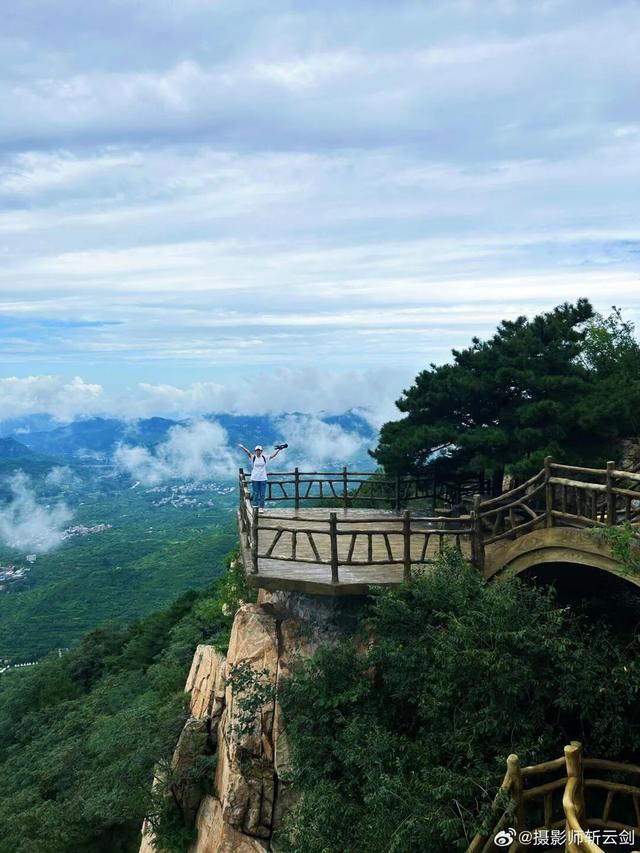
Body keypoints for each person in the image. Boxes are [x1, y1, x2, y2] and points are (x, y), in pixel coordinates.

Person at [237, 443, 285, 509]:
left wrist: (278, 450)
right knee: (255, 493)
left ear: (261, 451)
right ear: (255, 451)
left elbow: (273, 456)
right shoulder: (253, 457)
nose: (258, 451)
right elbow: (247, 452)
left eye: (259, 450)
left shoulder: (264, 457)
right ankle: (255, 507)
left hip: (263, 478)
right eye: (257, 450)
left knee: (262, 494)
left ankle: (261, 507)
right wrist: (242, 447)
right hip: (255, 478)